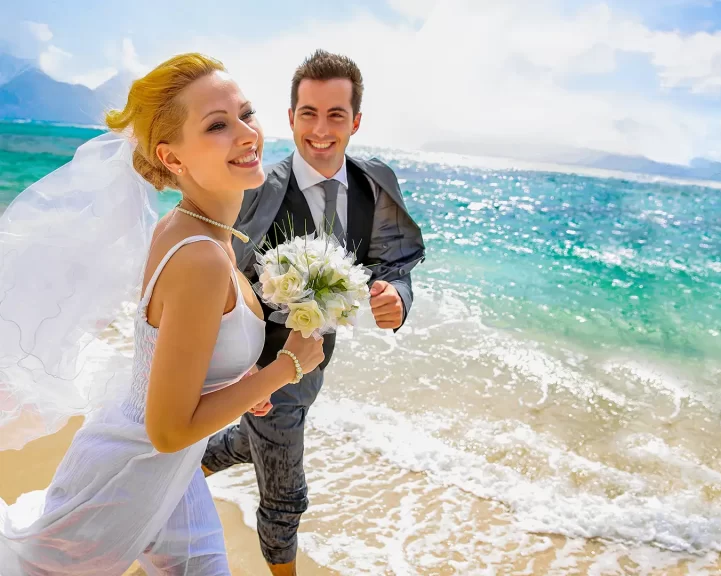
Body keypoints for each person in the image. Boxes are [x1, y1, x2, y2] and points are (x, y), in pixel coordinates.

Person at [0, 53, 324, 575]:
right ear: (173, 160)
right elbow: (168, 429)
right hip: (128, 480)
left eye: (246, 113)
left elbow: (175, 366)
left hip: (169, 474)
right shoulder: (200, 256)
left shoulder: (189, 227)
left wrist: (242, 386)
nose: (246, 134)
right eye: (217, 125)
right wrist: (285, 370)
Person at [201, 49, 425, 575]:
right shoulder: (256, 188)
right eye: (309, 113)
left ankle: (174, 472)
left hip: (314, 365)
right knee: (285, 496)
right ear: (291, 116)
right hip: (261, 368)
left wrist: (395, 296)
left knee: (249, 441)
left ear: (356, 121)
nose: (320, 130)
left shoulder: (374, 182)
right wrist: (235, 375)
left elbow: (393, 258)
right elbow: (215, 278)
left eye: (335, 115)